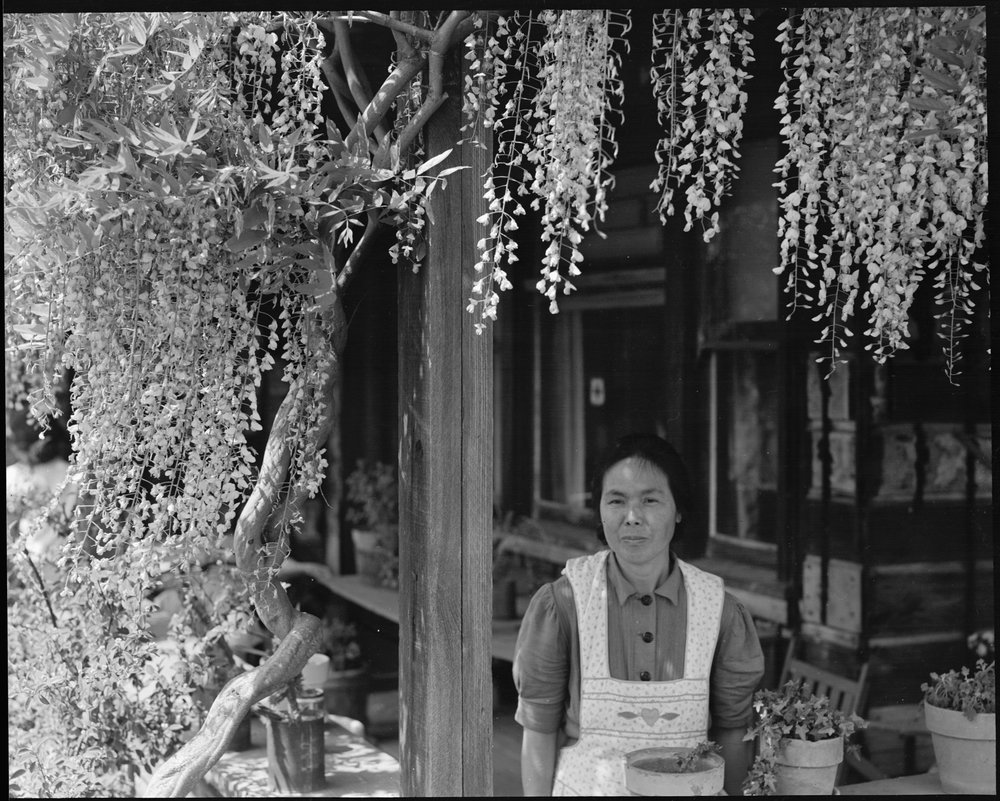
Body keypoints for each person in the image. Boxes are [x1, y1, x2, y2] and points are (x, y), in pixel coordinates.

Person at [513, 433, 765, 795]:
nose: (632, 517)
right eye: (616, 500)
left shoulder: (719, 608)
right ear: (599, 509)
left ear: (678, 509)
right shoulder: (566, 601)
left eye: (650, 500)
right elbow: (539, 730)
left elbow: (733, 731)